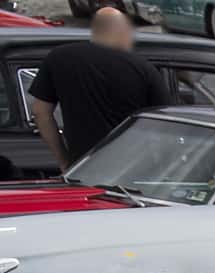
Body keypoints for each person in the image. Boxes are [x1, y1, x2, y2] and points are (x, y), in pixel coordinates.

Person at [28, 9, 168, 171]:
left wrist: (64, 161)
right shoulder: (143, 68)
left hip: (82, 168)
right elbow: (165, 123)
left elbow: (40, 112)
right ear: (122, 31)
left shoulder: (59, 57)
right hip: (132, 170)